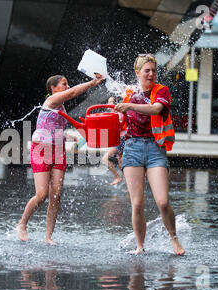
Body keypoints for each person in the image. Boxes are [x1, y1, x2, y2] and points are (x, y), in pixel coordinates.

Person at [16, 73, 104, 245]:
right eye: (64, 84)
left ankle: (48, 236)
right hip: (41, 149)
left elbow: (51, 127)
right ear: (53, 89)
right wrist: (93, 83)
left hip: (58, 151)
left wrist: (67, 137)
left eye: (67, 84)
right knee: (42, 195)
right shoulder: (51, 101)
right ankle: (22, 224)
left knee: (55, 195)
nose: (68, 86)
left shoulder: (61, 108)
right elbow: (72, 94)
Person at [115, 54, 185, 256]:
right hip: (132, 148)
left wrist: (128, 106)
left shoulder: (161, 90)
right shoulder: (129, 92)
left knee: (162, 202)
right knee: (137, 203)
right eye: (147, 70)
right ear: (138, 73)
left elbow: (156, 109)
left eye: (154, 70)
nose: (151, 74)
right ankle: (140, 245)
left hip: (155, 149)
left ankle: (174, 239)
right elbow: (120, 121)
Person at [101, 96, 125, 185]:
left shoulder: (119, 114)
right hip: (119, 140)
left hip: (122, 140)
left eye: (110, 102)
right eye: (108, 102)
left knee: (105, 158)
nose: (108, 104)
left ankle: (117, 177)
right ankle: (127, 185)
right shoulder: (115, 114)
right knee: (121, 162)